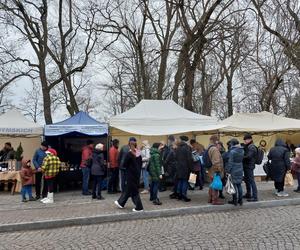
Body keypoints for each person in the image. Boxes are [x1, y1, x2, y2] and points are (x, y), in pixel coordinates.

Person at [114, 140, 144, 212]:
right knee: (128, 189)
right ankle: (121, 202)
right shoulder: (139, 153)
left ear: (129, 146)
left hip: (130, 174)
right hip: (137, 174)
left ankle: (139, 207)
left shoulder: (129, 154)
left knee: (134, 191)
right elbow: (140, 163)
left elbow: (124, 164)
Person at [225, 139, 244, 206]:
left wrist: (227, 170)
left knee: (234, 186)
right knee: (239, 185)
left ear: (232, 144)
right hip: (240, 168)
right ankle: (240, 200)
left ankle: (235, 200)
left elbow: (230, 162)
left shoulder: (232, 152)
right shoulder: (242, 150)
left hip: (234, 169)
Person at [207, 135, 224, 205]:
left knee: (212, 185)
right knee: (215, 185)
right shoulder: (214, 149)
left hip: (211, 170)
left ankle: (210, 199)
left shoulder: (209, 148)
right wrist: (218, 170)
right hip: (215, 170)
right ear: (216, 141)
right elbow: (216, 161)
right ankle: (215, 200)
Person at [175, 135, 193, 202]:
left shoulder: (178, 147)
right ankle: (184, 195)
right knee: (184, 181)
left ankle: (179, 195)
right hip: (185, 167)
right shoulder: (187, 148)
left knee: (180, 181)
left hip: (179, 167)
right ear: (187, 140)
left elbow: (175, 158)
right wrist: (191, 168)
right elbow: (189, 159)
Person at [242, 133, 258, 202]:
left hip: (249, 166)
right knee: (247, 181)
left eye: (246, 139)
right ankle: (248, 194)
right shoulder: (248, 146)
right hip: (247, 165)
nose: (245, 141)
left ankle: (255, 197)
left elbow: (249, 156)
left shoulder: (252, 147)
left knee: (251, 181)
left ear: (250, 139)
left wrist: (241, 157)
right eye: (245, 140)